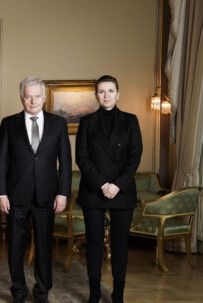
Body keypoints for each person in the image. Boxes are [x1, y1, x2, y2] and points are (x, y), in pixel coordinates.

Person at [0, 77, 71, 303]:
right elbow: (1, 162)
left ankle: (41, 292)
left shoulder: (58, 124)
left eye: (37, 96)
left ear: (44, 98)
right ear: (21, 98)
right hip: (15, 195)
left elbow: (65, 162)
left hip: (47, 195)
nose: (33, 100)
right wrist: (1, 193)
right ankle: (18, 291)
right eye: (28, 96)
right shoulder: (9, 123)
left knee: (44, 248)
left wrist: (63, 192)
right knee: (15, 247)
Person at [76, 75, 142, 303]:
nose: (106, 95)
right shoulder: (87, 122)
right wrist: (103, 184)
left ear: (118, 93)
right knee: (93, 242)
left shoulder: (131, 120)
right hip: (94, 190)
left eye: (110, 91)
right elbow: (81, 157)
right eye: (102, 91)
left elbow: (135, 157)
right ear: (96, 95)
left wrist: (117, 185)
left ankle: (118, 295)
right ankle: (94, 294)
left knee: (120, 243)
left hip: (122, 191)